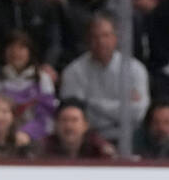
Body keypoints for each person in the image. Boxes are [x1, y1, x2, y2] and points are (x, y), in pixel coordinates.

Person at [59, 13, 149, 143]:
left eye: (106, 36)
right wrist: (122, 108)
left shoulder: (135, 69)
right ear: (87, 40)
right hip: (88, 140)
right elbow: (74, 116)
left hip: (130, 138)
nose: (101, 42)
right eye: (95, 37)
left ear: (115, 38)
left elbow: (138, 113)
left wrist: (92, 104)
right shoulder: (73, 72)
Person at [0, 30, 58, 142]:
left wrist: (27, 134)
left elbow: (47, 116)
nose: (15, 53)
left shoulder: (42, 79)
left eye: (21, 48)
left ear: (30, 52)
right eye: (11, 48)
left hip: (36, 141)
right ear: (4, 51)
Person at [38, 97, 116, 158]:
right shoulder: (43, 148)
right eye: (64, 120)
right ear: (56, 125)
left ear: (86, 125)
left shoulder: (98, 149)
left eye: (74, 120)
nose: (69, 126)